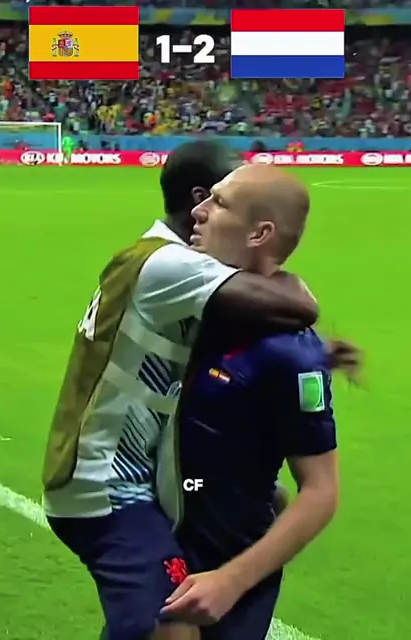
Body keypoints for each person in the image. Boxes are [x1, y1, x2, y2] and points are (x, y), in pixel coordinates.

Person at [43, 141, 320, 640]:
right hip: (106, 485)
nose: (207, 210)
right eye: (216, 195)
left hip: (139, 475)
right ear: (196, 198)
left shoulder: (160, 260)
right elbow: (298, 305)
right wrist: (284, 277)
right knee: (173, 623)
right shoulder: (170, 266)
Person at [160, 164, 340, 640]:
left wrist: (231, 580)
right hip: (155, 550)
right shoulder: (184, 303)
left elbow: (321, 490)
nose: (197, 211)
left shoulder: (289, 353)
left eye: (218, 203)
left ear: (260, 233)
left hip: (224, 571)